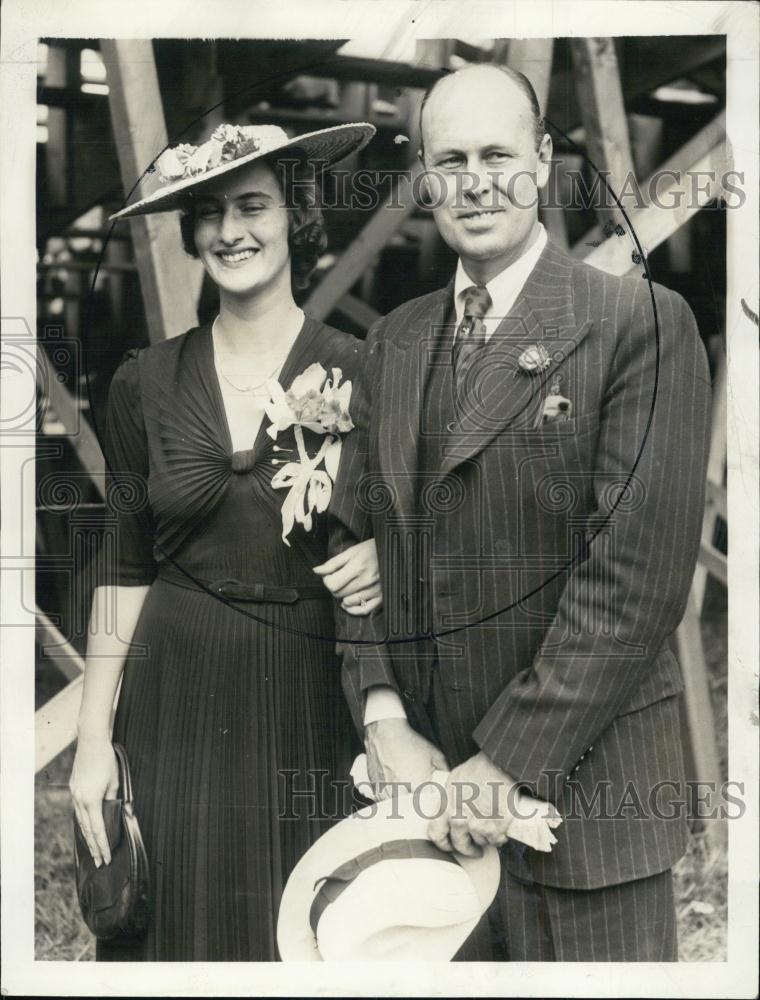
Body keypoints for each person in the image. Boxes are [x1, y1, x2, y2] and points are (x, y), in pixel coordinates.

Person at [336, 64, 712, 962]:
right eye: (450, 159)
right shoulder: (393, 341)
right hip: (426, 829)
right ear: (425, 178)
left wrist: (499, 769)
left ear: (543, 161)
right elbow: (357, 547)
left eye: (498, 154)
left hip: (583, 822)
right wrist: (383, 715)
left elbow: (634, 584)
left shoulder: (640, 327)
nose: (475, 182)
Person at [69, 121, 383, 961]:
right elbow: (124, 564)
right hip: (174, 695)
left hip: (306, 691)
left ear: (297, 217)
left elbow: (414, 519)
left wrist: (386, 551)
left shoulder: (361, 369)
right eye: (208, 213)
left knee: (297, 929)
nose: (230, 231)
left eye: (252, 206)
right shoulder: (144, 381)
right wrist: (95, 744)